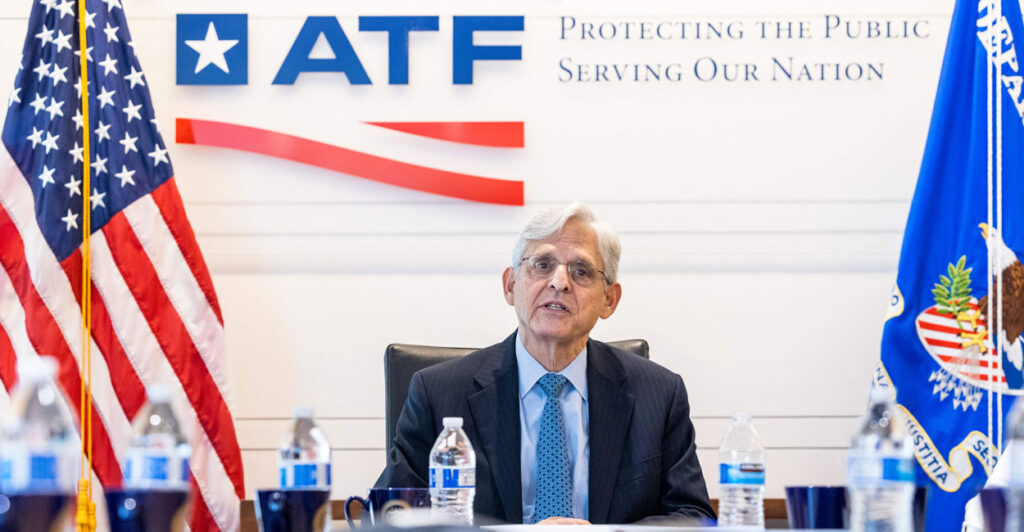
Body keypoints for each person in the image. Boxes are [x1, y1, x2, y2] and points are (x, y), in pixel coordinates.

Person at [375, 202, 714, 524]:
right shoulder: (438, 393)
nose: (559, 282)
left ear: (609, 300)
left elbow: (692, 516)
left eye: (581, 271)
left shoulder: (659, 395)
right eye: (542, 265)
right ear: (510, 285)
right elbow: (390, 514)